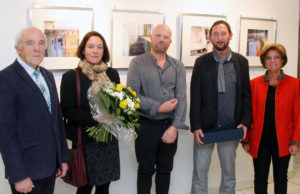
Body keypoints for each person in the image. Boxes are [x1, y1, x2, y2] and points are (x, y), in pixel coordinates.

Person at [0, 26, 70, 194]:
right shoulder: (6, 79)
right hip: (27, 172)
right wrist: (18, 175)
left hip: (50, 167)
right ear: (18, 49)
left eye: (40, 43)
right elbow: (5, 133)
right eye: (30, 43)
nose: (37, 48)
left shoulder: (47, 75)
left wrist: (63, 158)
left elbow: (57, 120)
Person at [190, 20, 251, 194]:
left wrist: (245, 122)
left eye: (223, 33)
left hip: (231, 127)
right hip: (205, 129)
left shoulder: (241, 62)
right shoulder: (201, 62)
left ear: (230, 36)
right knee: (200, 173)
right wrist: (196, 127)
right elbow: (195, 96)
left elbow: (246, 95)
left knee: (229, 173)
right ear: (210, 38)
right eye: (215, 34)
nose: (219, 38)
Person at [127, 24, 188, 194]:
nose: (162, 39)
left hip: (170, 127)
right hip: (145, 126)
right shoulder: (137, 63)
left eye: (166, 37)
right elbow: (132, 97)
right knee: (145, 170)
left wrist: (175, 127)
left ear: (170, 41)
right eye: (158, 35)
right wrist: (158, 107)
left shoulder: (178, 66)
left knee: (165, 170)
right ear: (151, 38)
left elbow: (182, 98)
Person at [60, 31, 120, 194]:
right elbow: (67, 110)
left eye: (99, 47)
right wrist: (96, 118)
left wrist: (119, 112)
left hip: (109, 138)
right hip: (85, 141)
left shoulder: (112, 74)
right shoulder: (71, 77)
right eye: (91, 46)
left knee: (104, 186)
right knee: (85, 187)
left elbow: (118, 103)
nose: (95, 51)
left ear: (104, 51)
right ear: (83, 50)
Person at [242, 44, 300, 194]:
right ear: (263, 61)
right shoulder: (254, 84)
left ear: (282, 60)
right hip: (260, 140)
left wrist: (296, 141)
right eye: (268, 58)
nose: (272, 61)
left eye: (276, 57)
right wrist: (246, 139)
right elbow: (247, 113)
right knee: (260, 178)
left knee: (281, 178)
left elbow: (298, 115)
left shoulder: (295, 84)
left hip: (284, 140)